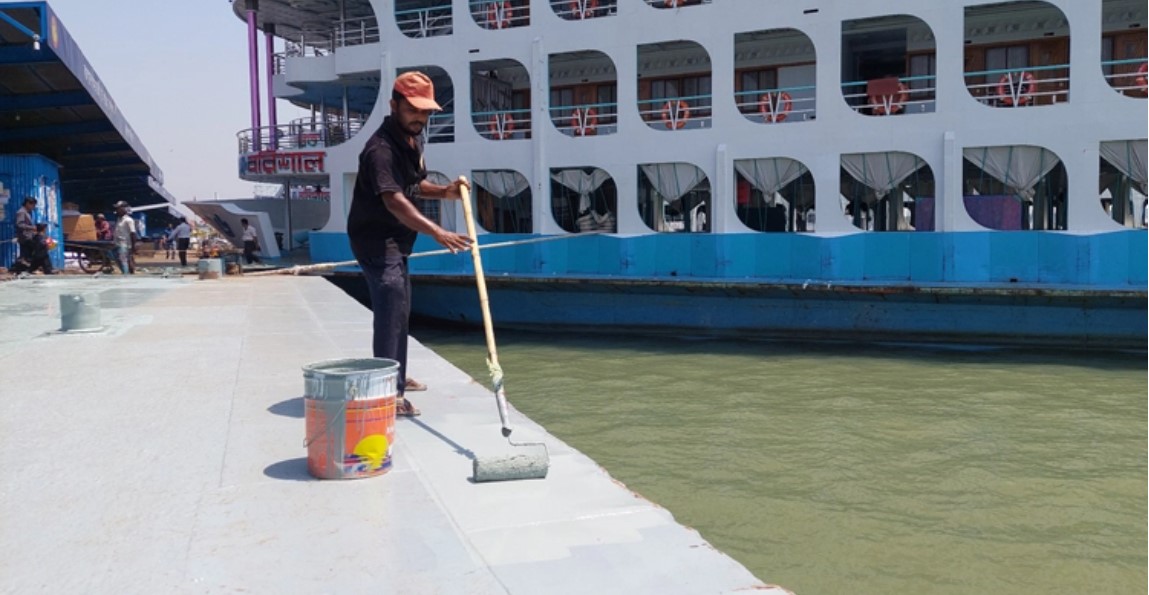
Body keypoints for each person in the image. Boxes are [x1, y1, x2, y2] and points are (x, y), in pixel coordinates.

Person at [347, 71, 472, 416]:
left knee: (400, 308)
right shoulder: (380, 150)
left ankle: (396, 375)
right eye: (412, 110)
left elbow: (414, 186)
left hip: (398, 239)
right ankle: (389, 394)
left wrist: (446, 192)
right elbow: (394, 200)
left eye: (425, 112)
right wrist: (438, 232)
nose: (420, 117)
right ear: (394, 105)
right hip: (375, 239)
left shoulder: (412, 140)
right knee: (390, 304)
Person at [112, 201, 138, 274]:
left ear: (124, 209)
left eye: (118, 208)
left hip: (125, 244)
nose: (117, 210)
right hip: (117, 243)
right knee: (116, 258)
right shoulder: (118, 219)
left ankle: (125, 275)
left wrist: (133, 246)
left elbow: (133, 233)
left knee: (123, 260)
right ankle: (125, 272)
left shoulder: (129, 220)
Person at [14, 197, 37, 269]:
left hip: (29, 236)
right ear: (27, 203)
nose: (33, 207)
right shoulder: (21, 212)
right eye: (32, 205)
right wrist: (32, 228)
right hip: (24, 237)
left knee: (26, 254)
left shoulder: (28, 212)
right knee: (33, 250)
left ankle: (22, 267)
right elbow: (19, 225)